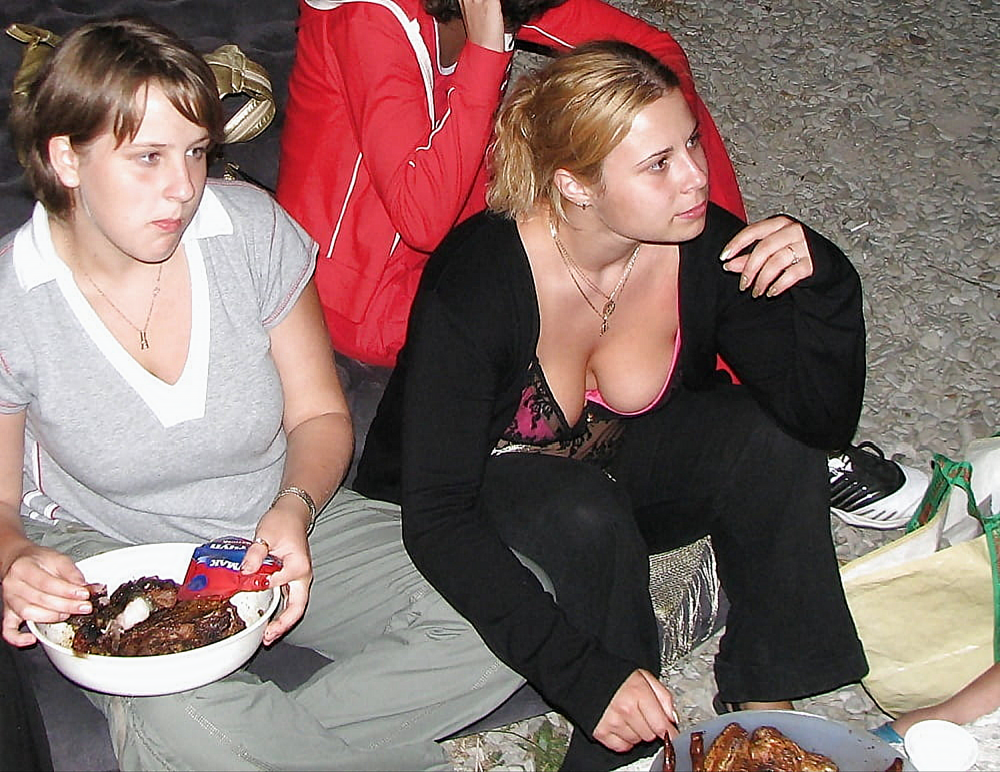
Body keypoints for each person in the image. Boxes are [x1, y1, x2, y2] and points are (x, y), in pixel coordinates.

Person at [0, 17, 522, 771]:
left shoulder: (249, 231)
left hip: (269, 516)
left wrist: (295, 507)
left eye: (196, 152)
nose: (183, 187)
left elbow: (319, 414)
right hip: (109, 551)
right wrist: (15, 555)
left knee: (509, 608)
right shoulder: (13, 299)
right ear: (66, 159)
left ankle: (229, 743)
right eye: (147, 157)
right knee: (174, 697)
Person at [354, 41, 870, 769]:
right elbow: (435, 516)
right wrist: (585, 677)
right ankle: (620, 749)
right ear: (576, 186)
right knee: (585, 514)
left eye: (691, 143)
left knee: (766, 436)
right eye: (659, 164)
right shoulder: (479, 281)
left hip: (620, 476)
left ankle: (766, 698)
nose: (696, 176)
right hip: (484, 494)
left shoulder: (703, 245)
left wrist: (830, 285)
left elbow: (818, 423)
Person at [275, 0, 745, 371]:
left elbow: (653, 50)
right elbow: (421, 220)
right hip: (364, 297)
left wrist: (663, 138)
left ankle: (730, 276)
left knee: (658, 137)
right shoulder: (367, 19)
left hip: (471, 226)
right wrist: (486, 50)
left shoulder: (497, 4)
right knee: (619, 300)